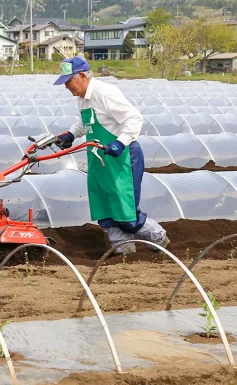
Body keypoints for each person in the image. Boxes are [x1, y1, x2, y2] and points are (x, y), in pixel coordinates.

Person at [52, 56, 168, 254]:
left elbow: (134, 119)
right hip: (100, 158)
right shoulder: (82, 99)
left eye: (69, 81)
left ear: (82, 76)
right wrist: (71, 134)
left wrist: (120, 143)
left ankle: (158, 238)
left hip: (121, 156)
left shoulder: (105, 93)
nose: (66, 87)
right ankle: (124, 253)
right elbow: (84, 123)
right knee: (105, 206)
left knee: (124, 209)